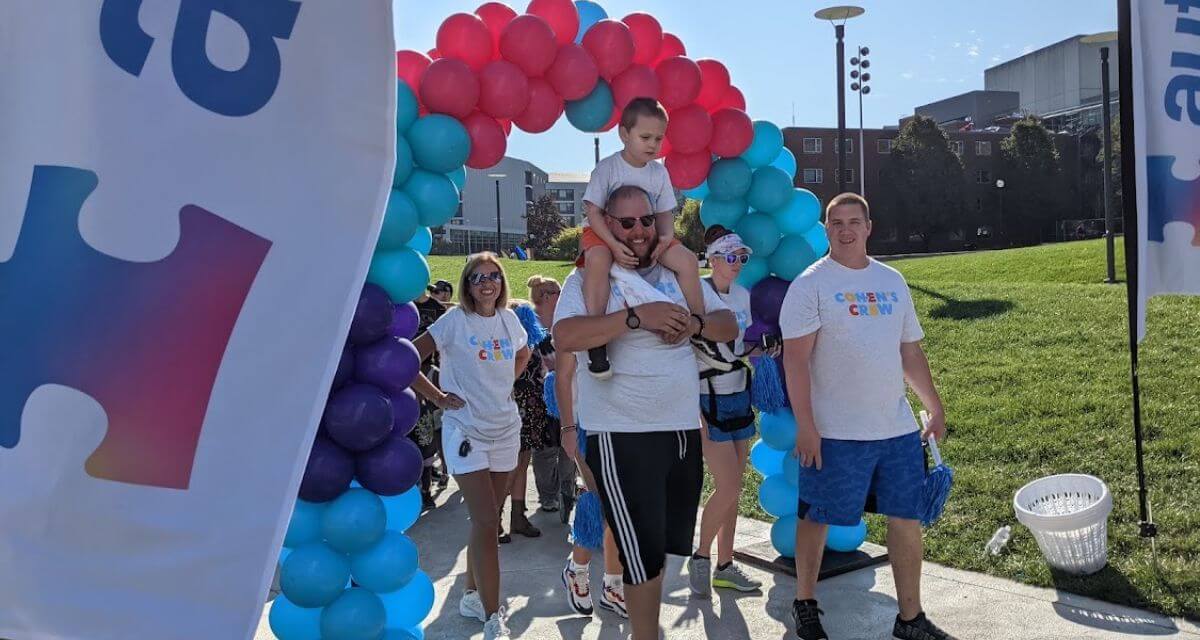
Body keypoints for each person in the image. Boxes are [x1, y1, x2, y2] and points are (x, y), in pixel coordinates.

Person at [553, 185, 739, 640]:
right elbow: (565, 336)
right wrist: (637, 318)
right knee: (637, 558)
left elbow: (727, 325)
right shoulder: (589, 279)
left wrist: (691, 323)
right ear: (608, 227)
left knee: (657, 554)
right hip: (621, 435)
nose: (639, 231)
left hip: (680, 431)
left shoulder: (679, 276)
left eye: (647, 220)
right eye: (627, 222)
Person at [780, 193, 955, 640]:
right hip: (834, 432)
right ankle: (805, 601)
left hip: (894, 430)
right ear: (825, 230)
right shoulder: (810, 285)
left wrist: (933, 405)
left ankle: (910, 617)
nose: (845, 230)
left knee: (906, 517)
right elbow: (795, 362)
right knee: (815, 517)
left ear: (868, 226)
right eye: (836, 223)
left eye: (853, 221)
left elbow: (908, 350)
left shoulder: (892, 280)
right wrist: (806, 426)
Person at [410, 252, 531, 640]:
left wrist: (503, 385)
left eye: (493, 276)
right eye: (478, 277)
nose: (486, 283)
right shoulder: (454, 321)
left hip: (505, 429)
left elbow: (524, 351)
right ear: (467, 284)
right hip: (465, 432)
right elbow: (408, 358)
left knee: (487, 519)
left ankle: (470, 593)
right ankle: (494, 615)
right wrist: (440, 397)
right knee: (485, 522)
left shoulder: (510, 319)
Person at [578, 98, 713, 379]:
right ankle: (597, 338)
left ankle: (700, 326)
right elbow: (593, 212)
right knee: (598, 261)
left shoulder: (658, 172)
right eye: (645, 137)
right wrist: (614, 246)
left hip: (649, 233)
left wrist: (665, 239)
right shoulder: (608, 168)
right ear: (624, 134)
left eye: (659, 138)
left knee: (687, 261)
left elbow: (664, 214)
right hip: (604, 231)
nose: (652, 144)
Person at [686, 226, 769, 597]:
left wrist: (765, 350)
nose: (737, 264)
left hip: (739, 394)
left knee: (733, 490)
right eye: (731, 257)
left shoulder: (743, 295)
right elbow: (685, 352)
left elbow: (743, 348)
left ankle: (725, 565)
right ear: (713, 259)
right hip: (706, 399)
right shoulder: (695, 293)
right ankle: (701, 556)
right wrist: (692, 408)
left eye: (742, 258)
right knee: (728, 484)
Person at [554, 349, 629, 619]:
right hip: (587, 425)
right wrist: (568, 428)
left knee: (621, 509)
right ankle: (578, 570)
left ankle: (611, 584)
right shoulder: (574, 312)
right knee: (601, 502)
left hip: (624, 424)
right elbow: (560, 376)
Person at [526, 276, 578, 521]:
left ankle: (567, 489)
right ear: (545, 295)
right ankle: (548, 494)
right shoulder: (529, 322)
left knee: (570, 445)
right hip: (540, 396)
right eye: (558, 291)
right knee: (546, 449)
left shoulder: (565, 318)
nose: (562, 295)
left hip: (569, 391)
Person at [499, 297, 551, 542]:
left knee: (521, 463)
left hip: (528, 404)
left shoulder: (526, 342)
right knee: (512, 464)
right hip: (518, 403)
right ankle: (495, 516)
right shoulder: (518, 343)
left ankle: (517, 517)